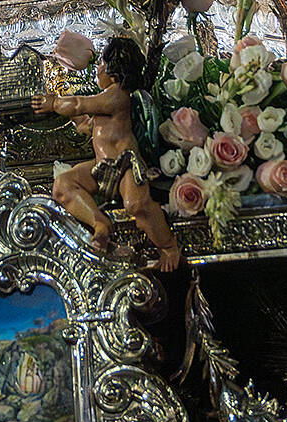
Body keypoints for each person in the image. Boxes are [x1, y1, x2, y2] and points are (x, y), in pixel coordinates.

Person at [34, 35, 182, 272]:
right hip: (102, 167)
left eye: (101, 63)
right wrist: (73, 115)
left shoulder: (117, 95)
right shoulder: (105, 103)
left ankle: (168, 245)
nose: (97, 69)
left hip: (125, 166)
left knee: (137, 204)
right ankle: (99, 222)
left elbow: (79, 104)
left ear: (114, 69)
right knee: (63, 185)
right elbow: (85, 125)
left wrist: (54, 103)